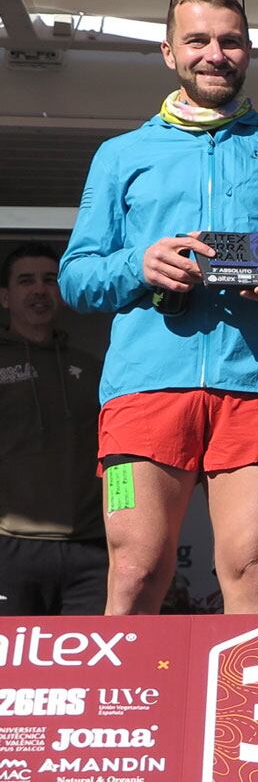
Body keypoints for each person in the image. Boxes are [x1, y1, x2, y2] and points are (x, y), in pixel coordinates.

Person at [60, 0, 258, 614]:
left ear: (249, 51)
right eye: (198, 40)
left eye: (230, 40)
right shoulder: (120, 155)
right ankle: (120, 713)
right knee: (135, 569)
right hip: (144, 387)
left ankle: (254, 717)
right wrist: (140, 263)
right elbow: (76, 276)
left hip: (256, 387)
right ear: (168, 52)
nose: (215, 53)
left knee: (256, 569)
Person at [0, 243, 106, 614]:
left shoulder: (92, 368)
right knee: (8, 671)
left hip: (92, 548)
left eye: (49, 280)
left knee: (89, 671)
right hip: (10, 546)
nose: (39, 290)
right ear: (5, 297)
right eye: (26, 281)